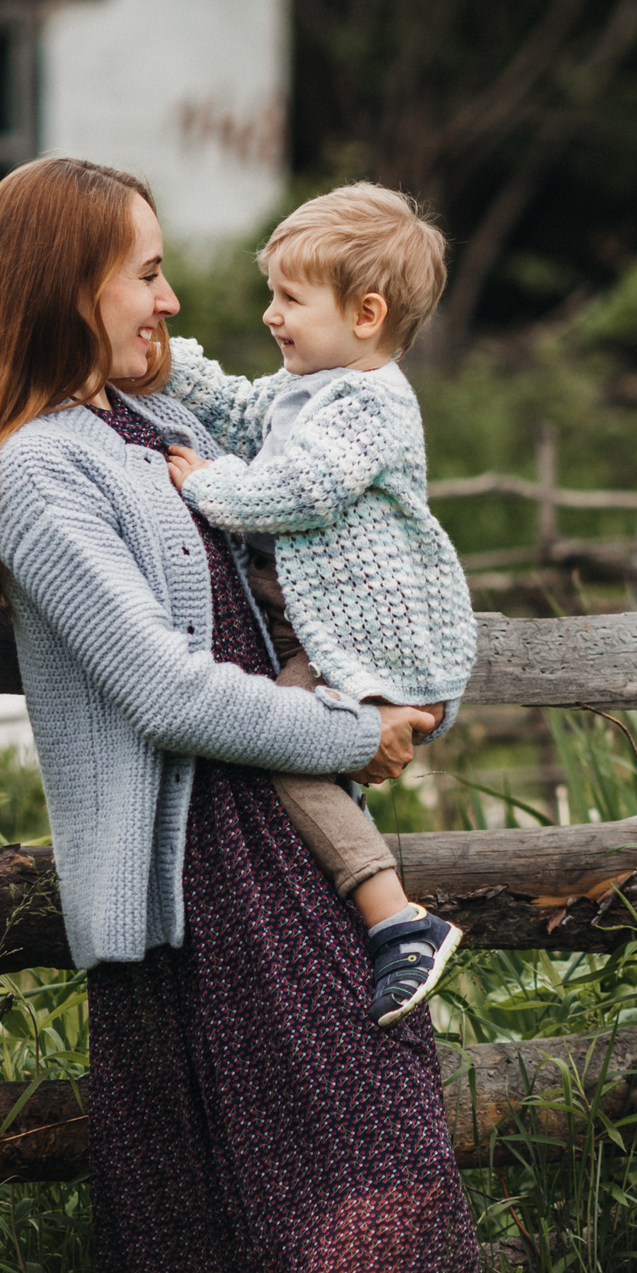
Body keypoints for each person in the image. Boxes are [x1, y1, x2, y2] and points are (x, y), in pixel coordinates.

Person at [0, 156, 486, 1273]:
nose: (172, 303)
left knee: (371, 1201)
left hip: (287, 867)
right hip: (201, 887)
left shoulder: (152, 419)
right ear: (73, 288)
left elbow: (312, 484)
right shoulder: (35, 469)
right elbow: (162, 688)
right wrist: (351, 735)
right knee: (269, 1256)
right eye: (149, 275)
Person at [161, 181, 474, 1028]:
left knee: (280, 744)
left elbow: (304, 489)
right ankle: (361, 921)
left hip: (372, 650)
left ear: (366, 313)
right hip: (325, 635)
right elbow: (233, 404)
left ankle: (397, 919)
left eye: (290, 298)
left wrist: (210, 485)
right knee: (290, 756)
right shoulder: (309, 387)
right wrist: (166, 354)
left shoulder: (370, 402)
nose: (271, 314)